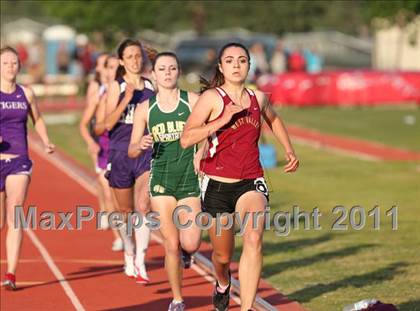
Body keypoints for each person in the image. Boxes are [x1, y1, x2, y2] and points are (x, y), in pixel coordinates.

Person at [180, 42, 299, 311]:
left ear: (249, 65)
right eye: (230, 61)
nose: (237, 65)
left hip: (251, 181)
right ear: (221, 67)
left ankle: (246, 308)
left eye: (242, 60)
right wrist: (221, 120)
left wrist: (289, 149)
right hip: (217, 185)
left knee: (254, 238)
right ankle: (222, 282)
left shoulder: (258, 98)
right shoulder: (211, 98)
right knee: (222, 256)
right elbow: (187, 138)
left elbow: (275, 120)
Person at [128, 52, 202, 311]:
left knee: (191, 242)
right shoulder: (146, 109)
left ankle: (186, 253)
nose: (168, 72)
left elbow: (209, 133)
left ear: (178, 71)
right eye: (162, 68)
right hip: (161, 181)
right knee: (171, 243)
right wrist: (140, 143)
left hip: (189, 178)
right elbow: (132, 150)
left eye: (172, 68)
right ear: (153, 75)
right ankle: (178, 299)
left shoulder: (192, 101)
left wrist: (200, 154)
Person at [0, 46, 55, 290]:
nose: (11, 67)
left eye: (14, 63)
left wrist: (45, 140)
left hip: (19, 160)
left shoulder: (27, 93)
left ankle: (11, 273)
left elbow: (38, 119)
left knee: (16, 215)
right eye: (5, 63)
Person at [104, 39, 155, 284]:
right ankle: (129, 249)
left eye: (138, 56)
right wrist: (126, 99)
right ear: (122, 61)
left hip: (145, 151)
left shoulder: (151, 85)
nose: (135, 60)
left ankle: (141, 260)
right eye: (130, 56)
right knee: (125, 211)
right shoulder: (116, 86)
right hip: (120, 153)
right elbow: (105, 125)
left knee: (143, 205)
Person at [79, 53, 122, 251]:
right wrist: (91, 142)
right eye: (107, 66)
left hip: (121, 148)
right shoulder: (98, 93)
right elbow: (86, 123)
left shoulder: (127, 90)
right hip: (102, 146)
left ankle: (124, 228)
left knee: (121, 197)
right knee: (105, 189)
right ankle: (117, 234)